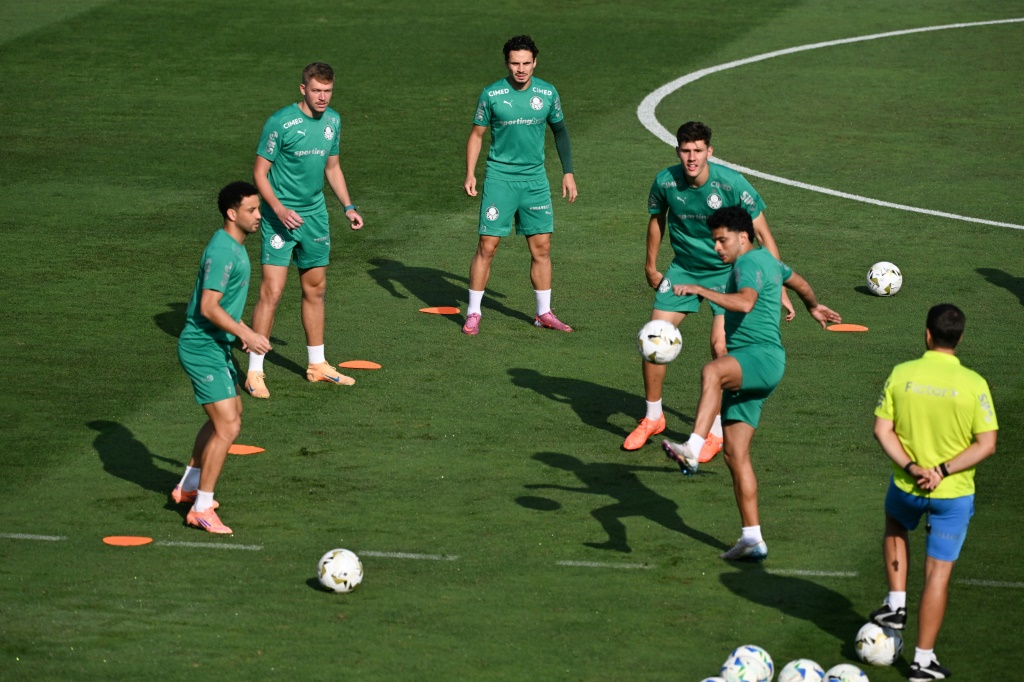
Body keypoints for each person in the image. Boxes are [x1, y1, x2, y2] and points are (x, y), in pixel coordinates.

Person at [661, 206, 840, 560]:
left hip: (758, 357)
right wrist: (813, 306)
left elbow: (744, 304)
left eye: (722, 240)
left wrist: (699, 289)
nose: (717, 248)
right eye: (714, 241)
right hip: (761, 367)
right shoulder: (769, 261)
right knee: (735, 453)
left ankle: (693, 448)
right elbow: (798, 281)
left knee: (713, 371)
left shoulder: (747, 264)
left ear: (743, 236)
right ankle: (752, 537)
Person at [624, 121, 794, 455]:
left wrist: (780, 287)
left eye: (698, 150)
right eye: (685, 151)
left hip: (727, 273)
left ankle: (715, 431)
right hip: (685, 269)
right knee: (654, 334)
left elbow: (763, 233)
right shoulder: (665, 181)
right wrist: (650, 264)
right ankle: (654, 417)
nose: (691, 157)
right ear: (677, 151)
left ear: (709, 152)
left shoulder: (731, 184)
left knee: (720, 348)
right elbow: (657, 220)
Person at [869, 304, 997, 681]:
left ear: (927, 334)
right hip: (953, 494)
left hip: (907, 486)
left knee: (895, 521)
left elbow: (882, 430)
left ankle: (896, 603)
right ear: (959, 338)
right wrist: (941, 471)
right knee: (937, 575)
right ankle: (923, 662)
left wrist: (913, 468)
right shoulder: (974, 383)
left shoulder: (903, 373)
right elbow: (986, 444)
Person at [245, 62, 365, 399]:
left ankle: (317, 365)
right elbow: (259, 173)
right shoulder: (280, 122)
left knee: (316, 288)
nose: (323, 97)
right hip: (278, 217)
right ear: (303, 89)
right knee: (273, 291)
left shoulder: (334, 121)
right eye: (316, 90)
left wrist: (348, 206)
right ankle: (255, 371)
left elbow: (333, 167)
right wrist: (279, 210)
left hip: (315, 216)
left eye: (328, 91)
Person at [173, 182, 273, 534]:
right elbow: (208, 306)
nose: (259, 216)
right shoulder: (224, 252)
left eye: (259, 209)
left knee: (228, 417)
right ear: (232, 213)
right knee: (228, 425)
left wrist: (242, 331)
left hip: (215, 344)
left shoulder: (234, 247)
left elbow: (223, 308)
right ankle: (202, 507)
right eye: (251, 210)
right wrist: (246, 334)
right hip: (202, 347)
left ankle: (187, 486)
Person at [462, 34, 577, 336]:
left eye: (526, 63)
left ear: (535, 62)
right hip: (500, 178)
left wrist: (568, 172)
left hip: (535, 180)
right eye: (515, 63)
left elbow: (561, 132)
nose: (521, 69)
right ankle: (473, 312)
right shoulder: (492, 94)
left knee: (542, 247)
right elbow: (477, 135)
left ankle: (544, 313)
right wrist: (470, 173)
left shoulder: (548, 93)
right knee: (488, 246)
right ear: (506, 63)